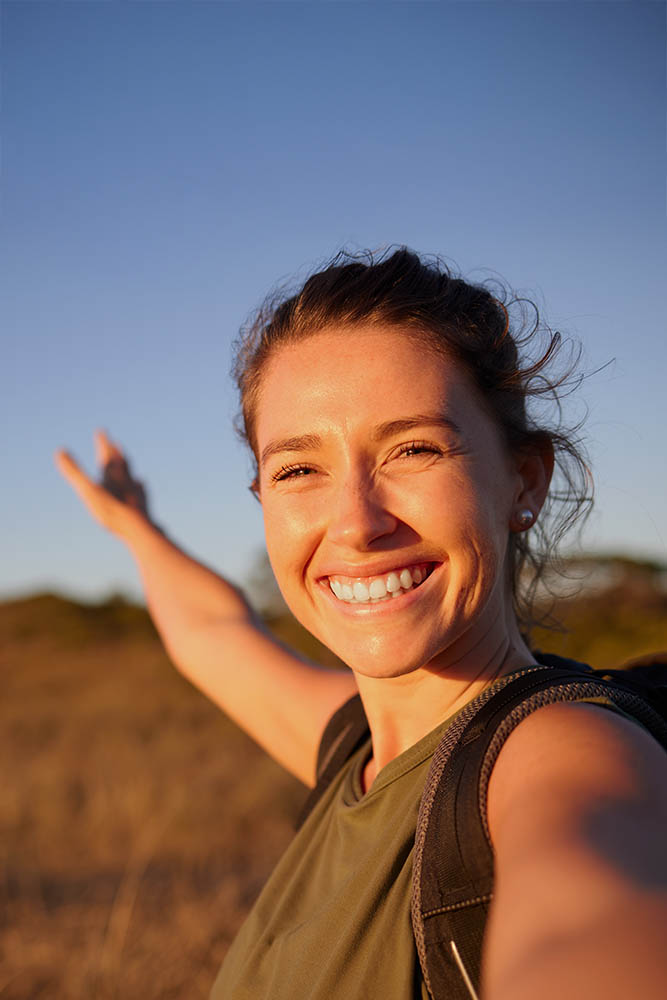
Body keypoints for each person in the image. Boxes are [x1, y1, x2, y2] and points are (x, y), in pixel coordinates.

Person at [56, 248, 667, 1000]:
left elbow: (589, 928)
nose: (353, 523)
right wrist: (135, 529)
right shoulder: (355, 746)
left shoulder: (562, 755)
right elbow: (214, 637)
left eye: (413, 449)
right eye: (298, 470)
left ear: (523, 479)